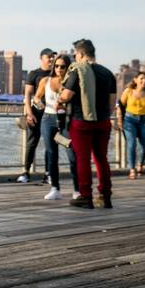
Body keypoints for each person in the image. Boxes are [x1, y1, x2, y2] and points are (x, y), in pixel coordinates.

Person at [58, 39, 117, 209]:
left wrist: (60, 97)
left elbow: (66, 96)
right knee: (101, 159)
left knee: (82, 159)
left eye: (75, 54)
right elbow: (112, 103)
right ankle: (105, 195)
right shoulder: (108, 73)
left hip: (81, 121)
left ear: (81, 54)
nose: (75, 57)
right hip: (103, 121)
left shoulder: (78, 70)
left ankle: (85, 196)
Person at [33, 54, 78, 200]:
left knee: (72, 155)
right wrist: (40, 105)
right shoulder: (45, 80)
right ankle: (55, 189)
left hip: (65, 120)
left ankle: (77, 189)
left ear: (68, 67)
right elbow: (36, 97)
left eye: (62, 66)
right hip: (48, 118)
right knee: (51, 154)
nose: (59, 69)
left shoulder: (71, 82)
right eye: (56, 66)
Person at [18, 48, 55, 183]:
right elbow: (28, 95)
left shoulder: (56, 74)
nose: (51, 59)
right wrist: (29, 113)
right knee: (31, 142)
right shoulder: (34, 74)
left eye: (53, 57)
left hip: (51, 114)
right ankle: (25, 172)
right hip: (36, 113)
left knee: (49, 144)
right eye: (49, 57)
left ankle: (48, 174)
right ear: (41, 58)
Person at [117, 71, 145, 181]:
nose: (144, 81)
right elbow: (120, 105)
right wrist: (120, 120)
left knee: (144, 147)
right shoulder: (128, 91)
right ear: (135, 79)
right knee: (132, 144)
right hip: (129, 120)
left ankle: (140, 165)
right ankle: (132, 169)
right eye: (142, 78)